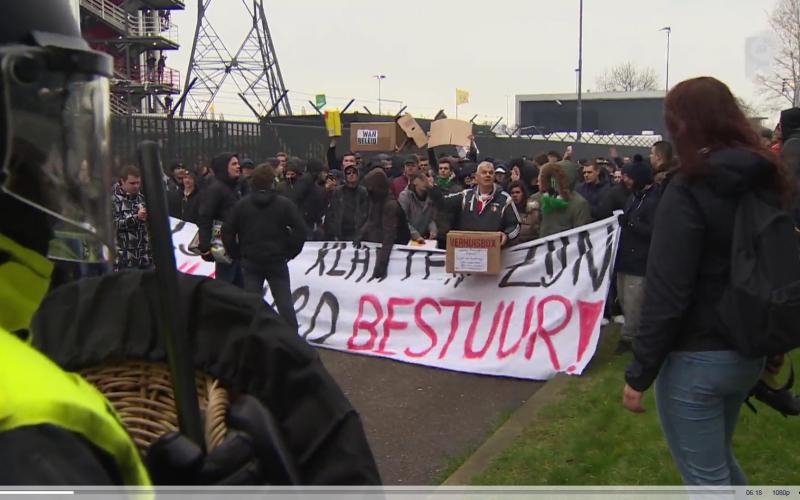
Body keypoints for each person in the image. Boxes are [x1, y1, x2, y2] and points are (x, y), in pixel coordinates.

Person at [622, 77, 795, 485]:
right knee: (720, 470)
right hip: (747, 352)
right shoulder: (767, 178)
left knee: (707, 481)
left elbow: (667, 291)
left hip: (697, 357)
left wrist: (639, 374)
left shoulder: (688, 189)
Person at [222, 165, 306, 328]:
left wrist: (236, 253)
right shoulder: (284, 204)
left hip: (251, 260)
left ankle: (252, 341)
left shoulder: (242, 205)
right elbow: (300, 230)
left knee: (251, 306)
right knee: (285, 305)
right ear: (271, 182)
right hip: (277, 260)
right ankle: (293, 342)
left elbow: (227, 231)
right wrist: (290, 251)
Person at [614, 161, 661, 354]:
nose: (625, 180)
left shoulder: (654, 201)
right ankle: (631, 333)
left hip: (640, 261)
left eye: (629, 177)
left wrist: (631, 223)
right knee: (625, 299)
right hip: (626, 258)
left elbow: (655, 231)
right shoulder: (634, 197)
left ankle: (629, 338)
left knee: (634, 302)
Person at [430, 161, 520, 246]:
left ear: (494, 177)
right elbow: (442, 204)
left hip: (494, 252)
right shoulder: (465, 195)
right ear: (476, 177)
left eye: (491, 173)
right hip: (467, 251)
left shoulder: (505, 198)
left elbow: (516, 225)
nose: (487, 175)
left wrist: (507, 235)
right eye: (484, 172)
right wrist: (432, 188)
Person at [197, 152, 241, 284]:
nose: (238, 166)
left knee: (238, 285)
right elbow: (205, 216)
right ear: (224, 167)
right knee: (225, 285)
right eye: (234, 164)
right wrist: (205, 246)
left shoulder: (231, 187)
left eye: (238, 163)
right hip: (222, 245)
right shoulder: (216, 189)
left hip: (234, 244)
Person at [358, 170, 410, 280]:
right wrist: (361, 234)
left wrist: (381, 264)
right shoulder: (377, 199)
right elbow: (372, 219)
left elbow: (389, 236)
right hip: (383, 243)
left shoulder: (390, 205)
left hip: (397, 246)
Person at [528, 163, 591, 238]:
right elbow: (533, 226)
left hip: (563, 246)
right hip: (547, 246)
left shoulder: (579, 203)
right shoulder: (538, 198)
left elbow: (580, 232)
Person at [112, 166, 153, 271]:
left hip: (143, 257)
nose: (136, 186)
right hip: (124, 258)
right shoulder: (113, 200)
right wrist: (135, 218)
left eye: (138, 183)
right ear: (122, 181)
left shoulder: (142, 198)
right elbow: (113, 225)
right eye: (132, 183)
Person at [325, 165, 369, 241]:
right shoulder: (338, 191)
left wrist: (362, 233)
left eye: (354, 172)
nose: (351, 174)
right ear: (345, 176)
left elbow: (367, 214)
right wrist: (333, 232)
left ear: (358, 175)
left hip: (357, 233)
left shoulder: (363, 192)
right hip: (340, 232)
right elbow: (331, 213)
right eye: (348, 173)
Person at [398, 173, 437, 243]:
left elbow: (431, 219)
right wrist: (416, 235)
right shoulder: (405, 196)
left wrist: (433, 230)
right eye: (422, 180)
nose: (426, 182)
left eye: (427, 180)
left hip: (424, 239)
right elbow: (403, 220)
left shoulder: (431, 197)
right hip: (406, 239)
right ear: (415, 181)